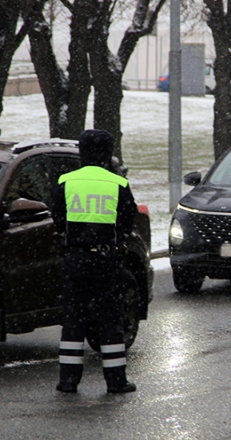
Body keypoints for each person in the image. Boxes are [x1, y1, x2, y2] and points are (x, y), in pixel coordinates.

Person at [50, 129, 138, 394]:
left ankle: (68, 381)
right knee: (109, 319)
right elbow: (126, 222)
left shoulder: (66, 181)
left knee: (73, 319)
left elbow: (57, 219)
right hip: (105, 258)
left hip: (74, 257)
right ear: (108, 152)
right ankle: (115, 381)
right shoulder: (118, 184)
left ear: (82, 151)